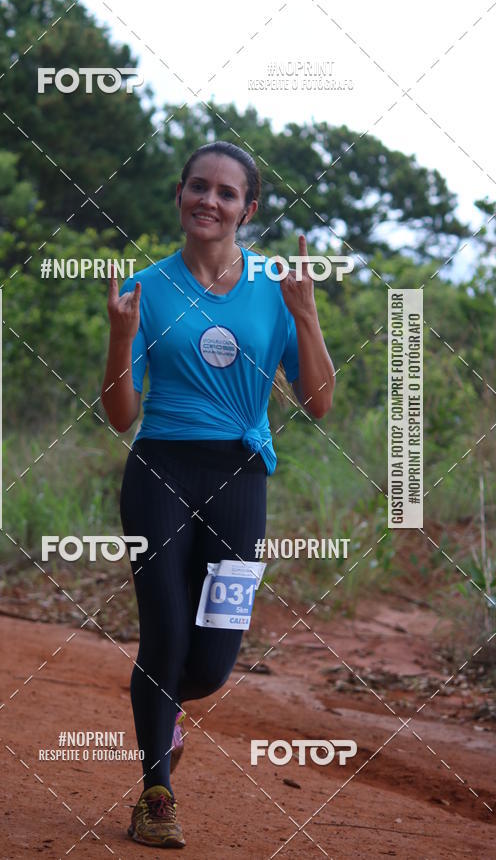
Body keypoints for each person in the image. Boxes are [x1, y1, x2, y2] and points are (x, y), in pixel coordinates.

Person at [100, 141, 335, 848]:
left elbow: (319, 404)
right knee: (165, 633)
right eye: (198, 187)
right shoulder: (145, 288)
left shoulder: (277, 286)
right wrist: (120, 336)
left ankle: (166, 717)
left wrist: (307, 316)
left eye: (227, 193)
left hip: (240, 479)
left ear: (248, 209)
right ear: (179, 195)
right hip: (160, 473)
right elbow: (119, 414)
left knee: (209, 664)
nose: (210, 200)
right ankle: (155, 795)